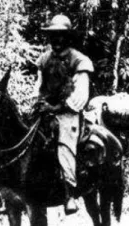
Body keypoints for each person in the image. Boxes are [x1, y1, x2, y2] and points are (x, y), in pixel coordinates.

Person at [33, 14, 94, 215]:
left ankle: (69, 193)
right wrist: (39, 103)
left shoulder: (80, 61)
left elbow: (80, 96)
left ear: (67, 37)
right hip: (46, 111)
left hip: (68, 114)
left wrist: (57, 108)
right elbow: (38, 87)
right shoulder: (43, 59)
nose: (57, 40)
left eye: (61, 36)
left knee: (64, 143)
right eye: (53, 36)